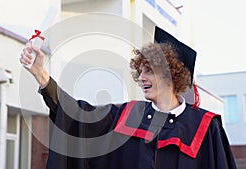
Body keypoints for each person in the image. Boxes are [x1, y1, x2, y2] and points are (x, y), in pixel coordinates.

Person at [20, 26, 237, 169]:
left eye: (149, 71)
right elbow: (77, 115)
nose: (141, 78)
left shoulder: (205, 127)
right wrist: (41, 75)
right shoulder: (127, 115)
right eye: (140, 72)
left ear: (172, 74)